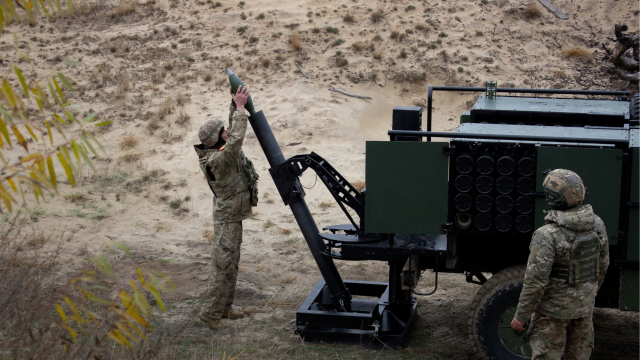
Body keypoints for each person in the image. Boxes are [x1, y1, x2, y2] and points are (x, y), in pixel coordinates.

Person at [511, 169, 609, 360]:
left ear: (552, 199)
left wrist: (521, 316)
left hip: (552, 314)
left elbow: (536, 281)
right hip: (584, 310)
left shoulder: (546, 234)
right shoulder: (597, 225)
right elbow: (603, 265)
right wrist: (588, 295)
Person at [194, 85, 259, 330]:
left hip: (234, 214)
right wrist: (241, 109)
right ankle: (210, 313)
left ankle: (225, 308)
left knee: (231, 262)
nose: (228, 131)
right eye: (223, 131)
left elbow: (230, 135)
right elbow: (235, 140)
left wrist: (234, 105)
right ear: (217, 138)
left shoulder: (217, 149)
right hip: (227, 219)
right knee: (222, 264)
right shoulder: (218, 159)